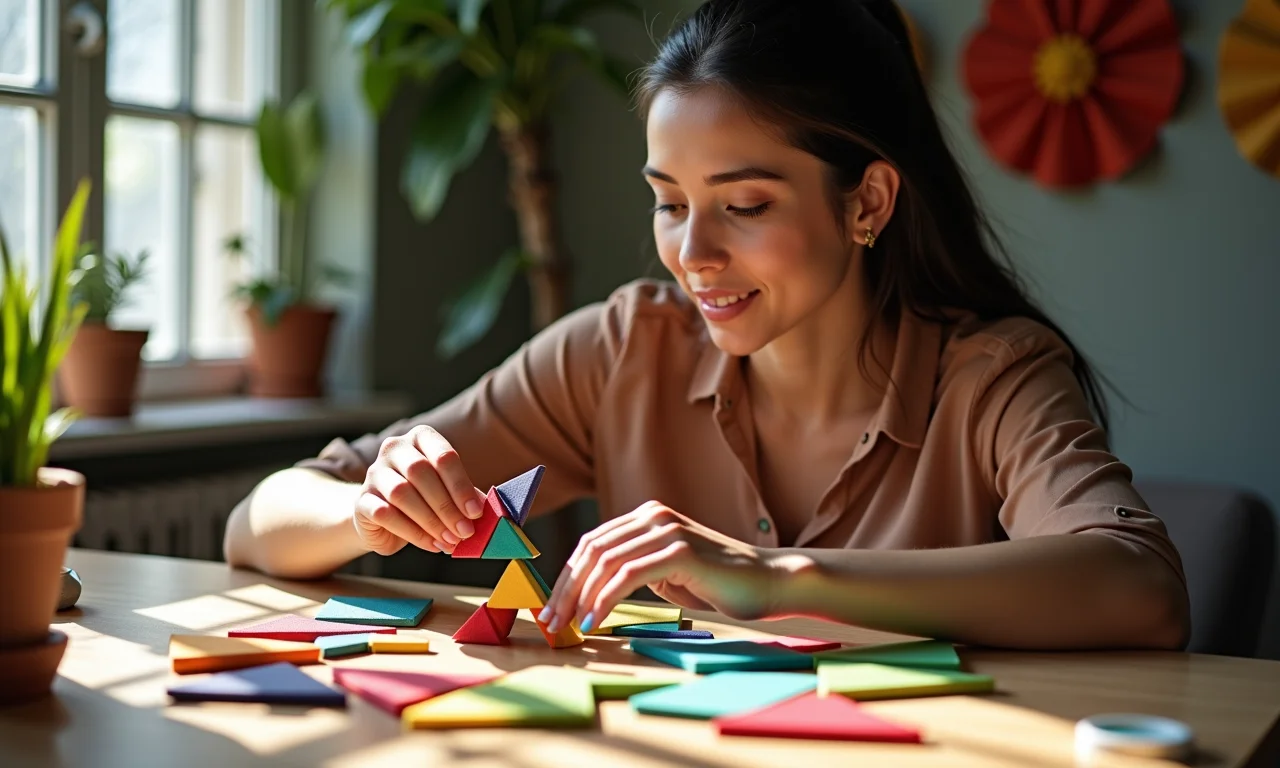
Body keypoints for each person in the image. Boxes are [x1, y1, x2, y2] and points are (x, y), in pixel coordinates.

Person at [224, 0, 1190, 651]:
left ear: (868, 202)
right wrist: (370, 509)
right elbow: (254, 526)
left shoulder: (994, 375)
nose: (693, 253)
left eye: (747, 204)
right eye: (668, 201)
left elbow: (1142, 588)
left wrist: (772, 578)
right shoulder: (620, 348)